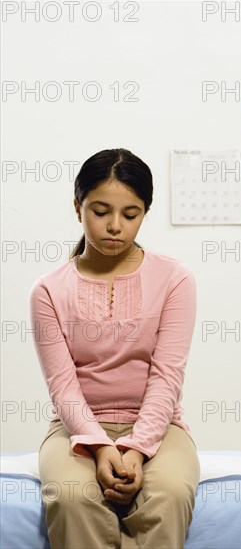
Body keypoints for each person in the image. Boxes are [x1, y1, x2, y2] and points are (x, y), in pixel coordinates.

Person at [29, 148, 200, 549]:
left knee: (170, 494)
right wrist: (100, 445)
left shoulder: (176, 279)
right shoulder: (48, 290)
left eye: (130, 214)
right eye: (100, 211)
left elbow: (166, 377)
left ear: (145, 212)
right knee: (72, 497)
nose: (115, 227)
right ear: (77, 207)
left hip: (160, 425)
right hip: (76, 428)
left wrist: (137, 449)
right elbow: (62, 386)